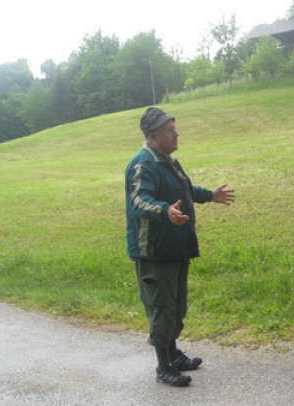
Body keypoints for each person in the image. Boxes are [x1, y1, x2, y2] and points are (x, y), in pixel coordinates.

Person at [125, 107, 236, 387]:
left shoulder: (169, 161)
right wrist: (165, 211)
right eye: (169, 130)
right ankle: (164, 368)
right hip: (155, 252)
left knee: (176, 307)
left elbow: (184, 190)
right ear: (152, 136)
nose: (176, 134)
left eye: (175, 128)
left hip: (176, 248)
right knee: (161, 308)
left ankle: (173, 356)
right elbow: (139, 200)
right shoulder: (142, 164)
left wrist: (209, 195)